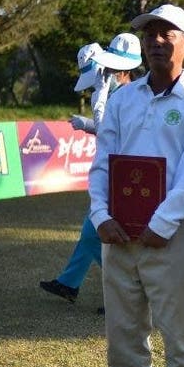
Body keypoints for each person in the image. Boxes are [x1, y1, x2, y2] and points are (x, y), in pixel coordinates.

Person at [86, 4, 184, 367]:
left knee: (180, 330)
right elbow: (103, 161)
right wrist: (100, 215)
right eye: (150, 34)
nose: (157, 41)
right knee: (123, 327)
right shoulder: (124, 98)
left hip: (173, 232)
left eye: (168, 34)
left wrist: (161, 223)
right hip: (119, 232)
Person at [40, 35, 142, 306]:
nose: (104, 75)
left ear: (121, 71)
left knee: (96, 233)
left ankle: (129, 291)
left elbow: (112, 131)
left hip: (122, 173)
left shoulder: (129, 96)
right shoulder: (118, 93)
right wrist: (88, 122)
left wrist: (92, 116)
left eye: (108, 70)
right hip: (112, 171)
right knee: (90, 232)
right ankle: (69, 283)